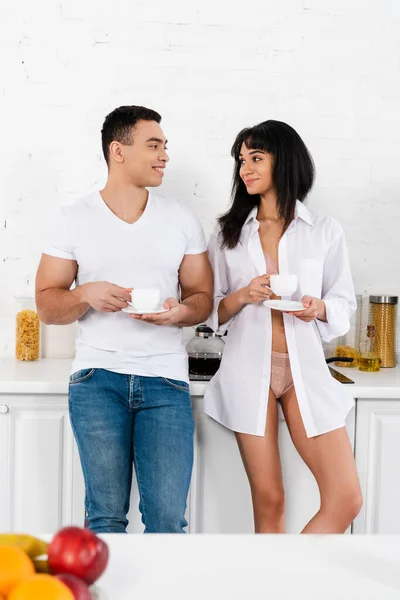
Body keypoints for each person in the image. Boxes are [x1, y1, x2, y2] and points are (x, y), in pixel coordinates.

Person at [35, 105, 213, 533]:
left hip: (166, 381)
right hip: (97, 380)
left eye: (165, 146)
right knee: (105, 518)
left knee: (168, 520)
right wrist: (86, 294)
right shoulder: (73, 218)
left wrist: (180, 313)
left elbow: (203, 298)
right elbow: (47, 305)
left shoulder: (180, 219)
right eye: (154, 145)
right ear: (118, 151)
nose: (164, 156)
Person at [204, 119, 362, 533]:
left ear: (284, 161)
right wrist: (243, 296)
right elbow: (209, 311)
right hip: (246, 369)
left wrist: (318, 308)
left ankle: (294, 581)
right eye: (241, 160)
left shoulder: (324, 231)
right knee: (270, 501)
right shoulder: (228, 234)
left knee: (346, 499)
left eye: (256, 158)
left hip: (304, 371)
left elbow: (343, 302)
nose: (245, 169)